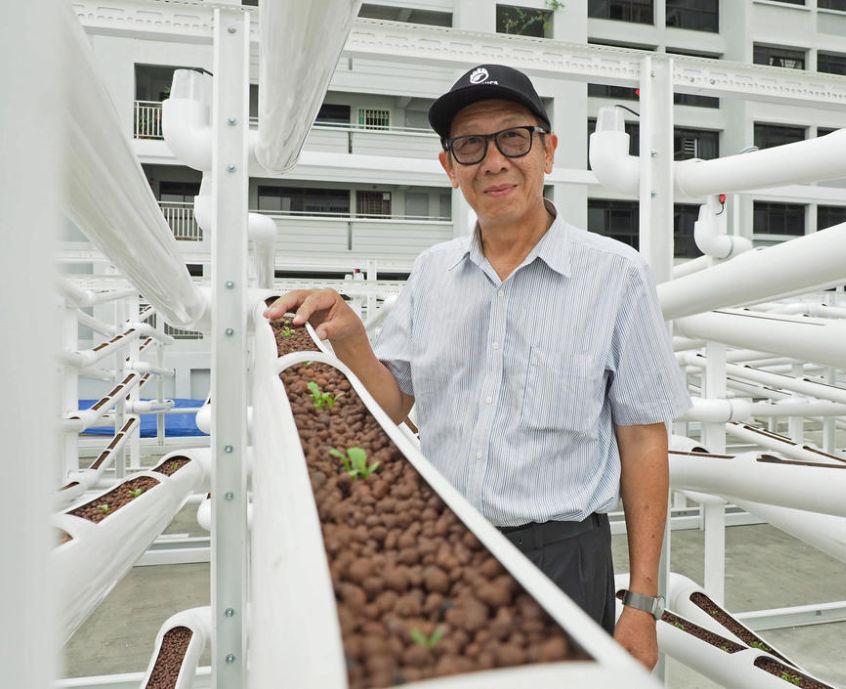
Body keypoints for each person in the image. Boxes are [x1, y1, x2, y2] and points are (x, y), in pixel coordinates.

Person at [265, 63, 691, 671]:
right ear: (449, 166)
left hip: (562, 556)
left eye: (513, 138)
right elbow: (393, 405)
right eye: (470, 145)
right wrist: (353, 340)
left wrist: (642, 601)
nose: (493, 162)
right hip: (443, 549)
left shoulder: (615, 276)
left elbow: (645, 439)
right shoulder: (432, 273)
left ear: (547, 150)